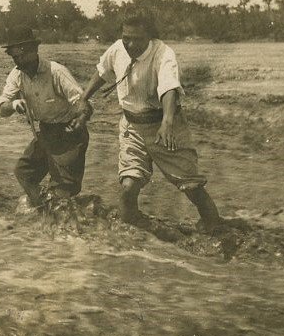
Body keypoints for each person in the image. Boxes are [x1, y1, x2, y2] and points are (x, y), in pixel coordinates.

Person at [79, 14, 225, 234]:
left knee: (191, 185)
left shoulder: (163, 54)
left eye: (137, 39)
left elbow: (169, 89)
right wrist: (84, 98)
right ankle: (131, 232)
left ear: (150, 36)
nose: (130, 44)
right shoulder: (118, 48)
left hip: (164, 125)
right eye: (126, 37)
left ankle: (214, 226)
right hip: (131, 126)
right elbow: (102, 72)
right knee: (128, 186)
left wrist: (166, 122)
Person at [0, 26, 92, 209]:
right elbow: (2, 108)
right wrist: (14, 105)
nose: (18, 61)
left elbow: (82, 103)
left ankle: (60, 215)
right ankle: (44, 208)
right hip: (46, 132)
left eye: (21, 55)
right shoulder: (17, 75)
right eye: (14, 57)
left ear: (34, 51)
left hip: (69, 133)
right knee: (23, 172)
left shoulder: (56, 72)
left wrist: (81, 118)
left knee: (64, 187)